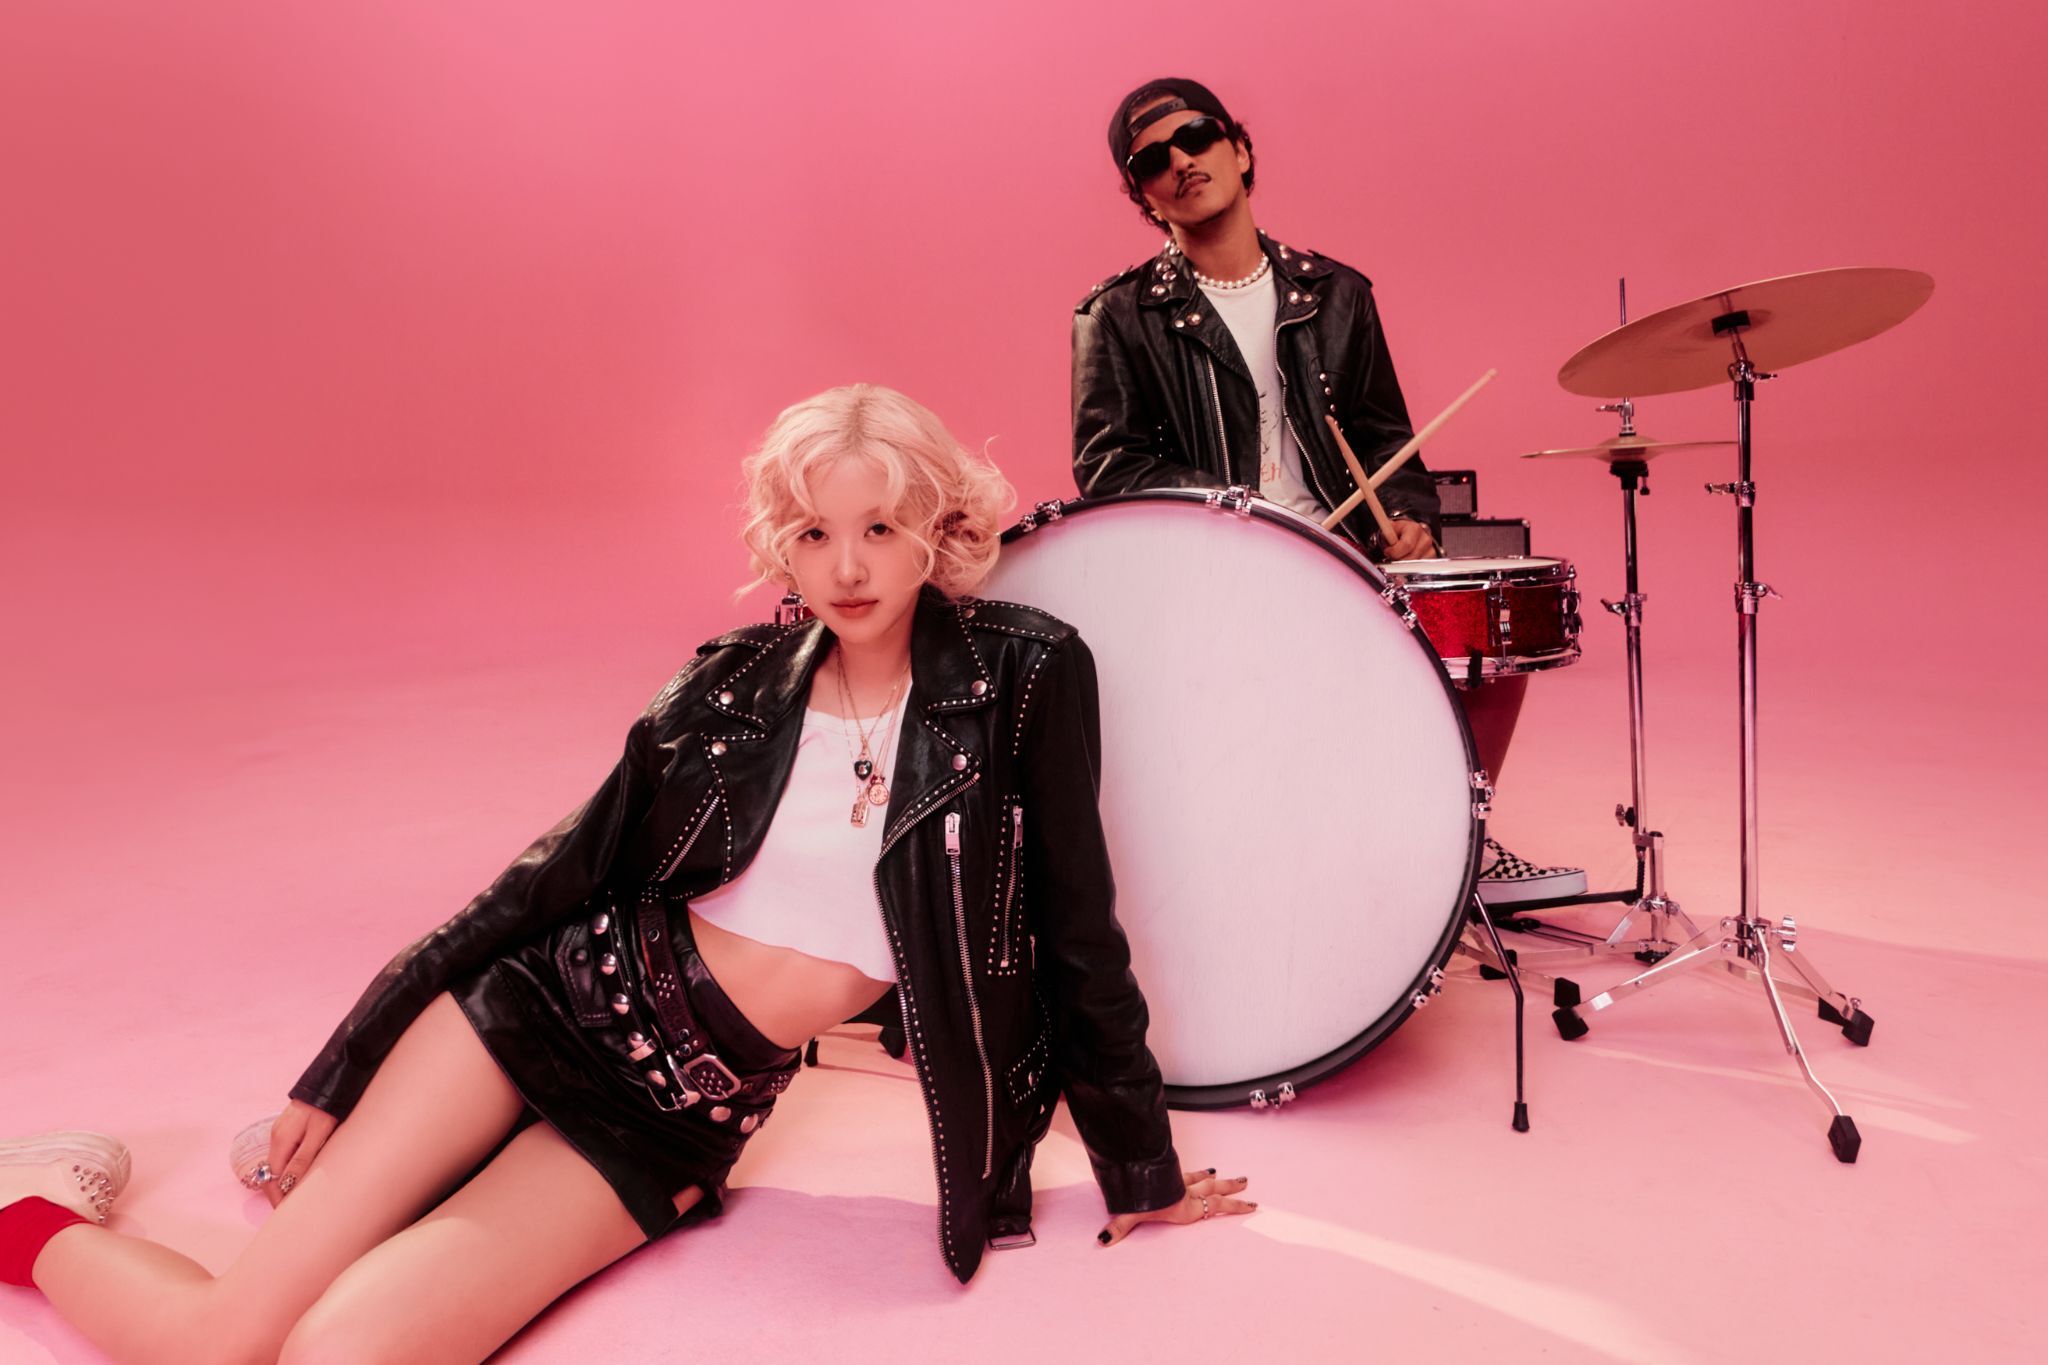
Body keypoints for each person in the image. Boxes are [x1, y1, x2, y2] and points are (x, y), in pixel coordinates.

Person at [0, 385, 1251, 1365]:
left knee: (337, 1354)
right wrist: (341, 1066)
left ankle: (394, 1184)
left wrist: (1139, 1170)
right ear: (781, 544)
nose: (848, 569)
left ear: (936, 526)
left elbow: (1078, 928)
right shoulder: (724, 690)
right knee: (222, 1344)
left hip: (672, 1117)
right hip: (540, 1012)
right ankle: (36, 1203)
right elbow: (537, 886)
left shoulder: (1024, 673)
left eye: (879, 528)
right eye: (814, 534)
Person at [1070, 77, 1586, 906]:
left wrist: (1408, 518)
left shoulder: (1339, 295)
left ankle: (1461, 844)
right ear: (1144, 197)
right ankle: (1320, 858)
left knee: (1487, 619)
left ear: (1240, 150)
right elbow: (1111, 468)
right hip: (1214, 571)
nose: (1181, 161)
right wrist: (1243, 514)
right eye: (1153, 160)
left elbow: (1385, 438)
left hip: (1347, 552)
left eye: (1196, 136)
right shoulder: (1116, 316)